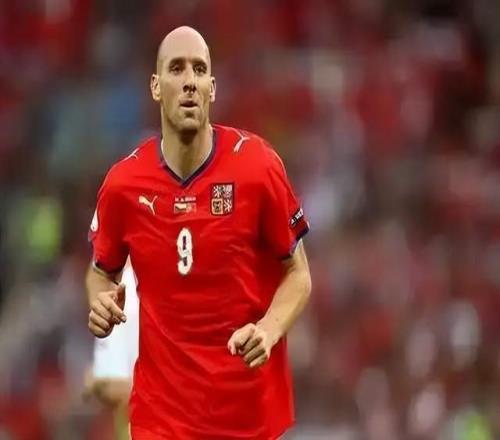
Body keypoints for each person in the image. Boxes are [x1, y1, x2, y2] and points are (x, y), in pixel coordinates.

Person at [86, 26, 312, 440]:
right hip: (161, 420)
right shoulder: (123, 185)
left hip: (247, 416)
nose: (189, 81)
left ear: (212, 88)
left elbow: (299, 274)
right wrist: (99, 302)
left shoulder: (257, 167)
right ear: (156, 86)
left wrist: (268, 329)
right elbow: (101, 271)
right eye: (176, 68)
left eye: (199, 70)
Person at [83, 261, 139, 440]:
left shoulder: (122, 283)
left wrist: (98, 380)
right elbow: (114, 384)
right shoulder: (117, 285)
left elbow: (112, 385)